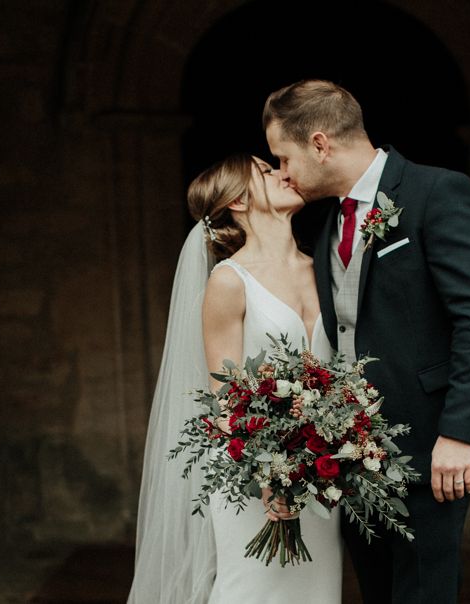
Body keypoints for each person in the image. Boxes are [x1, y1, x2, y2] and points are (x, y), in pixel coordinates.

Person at [263, 79, 470, 604]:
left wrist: (460, 433)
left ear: (319, 143)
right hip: (353, 454)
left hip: (432, 444)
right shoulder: (331, 219)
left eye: (283, 157)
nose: (282, 173)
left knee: (424, 592)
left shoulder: (438, 192)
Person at [127, 153, 343, 603]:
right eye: (267, 171)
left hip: (319, 471)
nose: (285, 172)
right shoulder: (230, 281)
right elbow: (225, 398)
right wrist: (269, 473)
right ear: (240, 202)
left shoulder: (325, 269)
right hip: (252, 474)